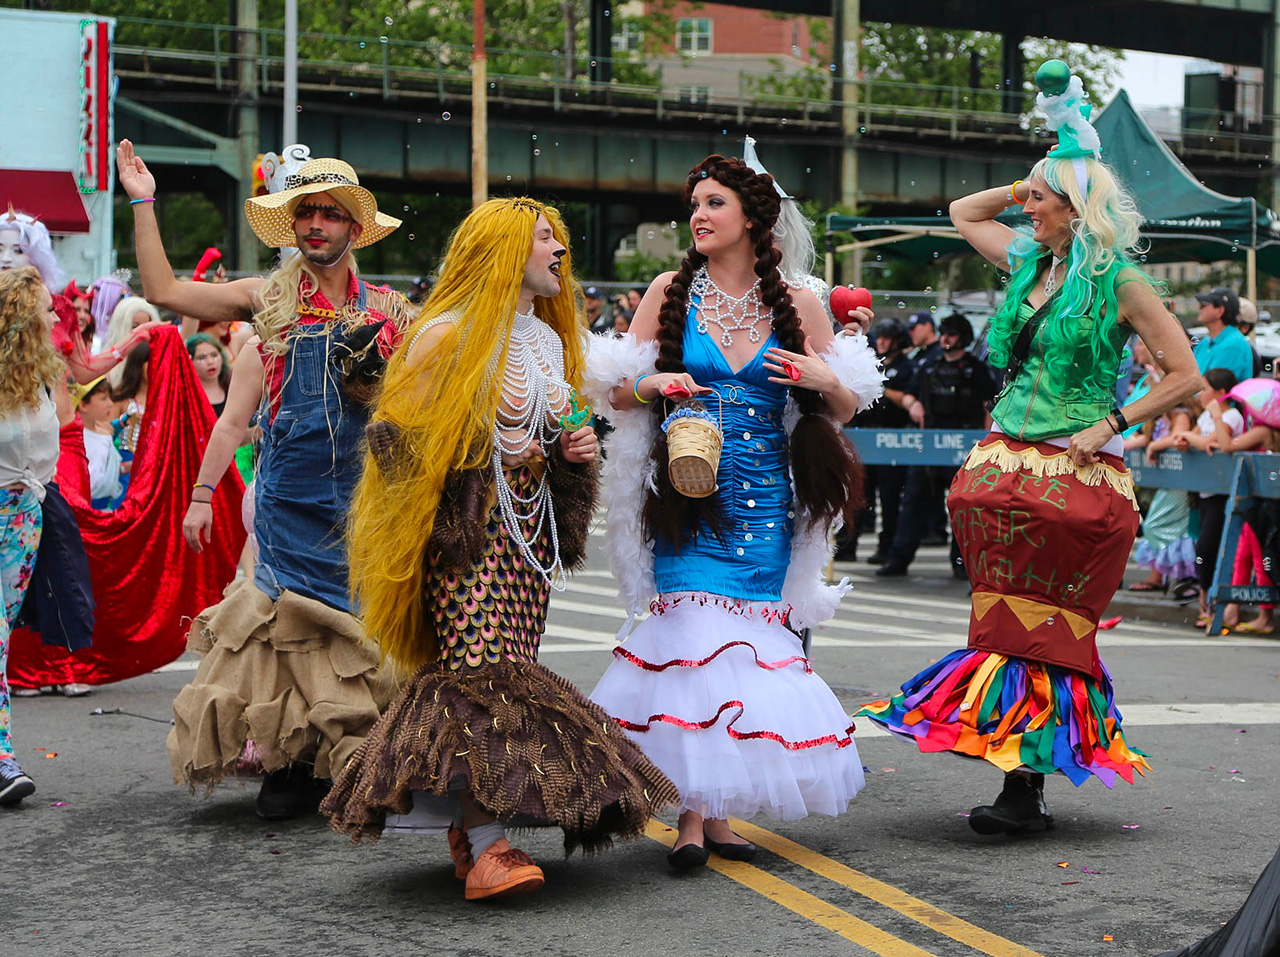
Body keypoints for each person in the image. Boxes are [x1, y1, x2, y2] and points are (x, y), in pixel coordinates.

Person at [858, 62, 1200, 835]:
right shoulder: (1024, 260)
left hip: (1078, 473)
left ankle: (1026, 788)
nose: (1029, 211)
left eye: (1043, 202)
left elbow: (1185, 375)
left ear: (1077, 210)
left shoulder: (1122, 282)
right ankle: (1018, 773)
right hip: (1005, 463)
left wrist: (1113, 422)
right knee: (1003, 627)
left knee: (1046, 632)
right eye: (1031, 202)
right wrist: (1038, 173)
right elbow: (959, 208)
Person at [321, 198, 678, 901]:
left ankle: (469, 829)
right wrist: (482, 449)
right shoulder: (445, 334)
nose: (558, 250)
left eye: (557, 238)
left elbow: (559, 432)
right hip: (467, 540)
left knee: (498, 677)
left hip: (528, 540)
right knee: (485, 679)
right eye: (545, 238)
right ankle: (488, 848)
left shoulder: (546, 342)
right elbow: (394, 444)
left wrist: (574, 452)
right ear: (506, 249)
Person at [584, 154, 883, 869]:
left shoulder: (801, 303)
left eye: (714, 203)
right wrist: (654, 381)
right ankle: (692, 816)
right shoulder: (668, 290)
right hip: (686, 499)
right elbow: (612, 391)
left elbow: (845, 405)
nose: (699, 215)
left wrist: (820, 375)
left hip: (765, 505)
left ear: (752, 217)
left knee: (743, 657)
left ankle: (717, 815)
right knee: (693, 648)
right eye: (695, 204)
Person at [117, 140, 411, 820]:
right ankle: (289, 763)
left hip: (365, 506)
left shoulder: (394, 311)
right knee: (282, 639)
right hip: (286, 508)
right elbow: (162, 291)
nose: (316, 225)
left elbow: (436, 390)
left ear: (355, 227)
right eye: (305, 212)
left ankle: (348, 758)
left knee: (358, 637)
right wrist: (142, 200)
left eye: (330, 214)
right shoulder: (265, 300)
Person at [0, 267, 73, 804]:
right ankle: (3, 761)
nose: (56, 315)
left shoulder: (45, 374)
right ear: (22, 318)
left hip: (27, 518)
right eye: (47, 308)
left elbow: (55, 436)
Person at [877, 313, 997, 578]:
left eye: (952, 334)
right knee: (913, 502)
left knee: (964, 509)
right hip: (930, 446)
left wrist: (986, 440)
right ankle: (898, 559)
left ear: (963, 337)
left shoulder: (976, 370)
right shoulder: (929, 367)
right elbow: (912, 396)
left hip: (964, 447)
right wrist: (914, 403)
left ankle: (962, 564)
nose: (945, 339)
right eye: (944, 333)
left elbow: (988, 405)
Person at [1, 210, 156, 384]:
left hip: (48, 408)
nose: (6, 259)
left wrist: (137, 335)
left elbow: (84, 370)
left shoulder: (60, 309)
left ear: (38, 257)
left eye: (18, 251)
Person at [1166, 369, 1244, 629]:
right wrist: (1187, 439)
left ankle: (1213, 605)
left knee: (1209, 549)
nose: (1200, 394)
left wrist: (1195, 435)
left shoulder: (1230, 415)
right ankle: (1204, 604)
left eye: (1205, 389)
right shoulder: (1206, 415)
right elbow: (1190, 438)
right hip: (1202, 490)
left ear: (1220, 393)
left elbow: (1211, 442)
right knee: (1202, 548)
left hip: (1222, 490)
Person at [842, 316, 918, 564]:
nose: (883, 342)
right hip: (866, 436)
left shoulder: (907, 368)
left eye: (888, 338)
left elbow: (909, 398)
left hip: (892, 438)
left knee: (890, 497)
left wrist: (883, 390)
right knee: (859, 495)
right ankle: (848, 544)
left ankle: (887, 548)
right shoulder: (873, 362)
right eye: (881, 337)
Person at [74, 376, 124, 510]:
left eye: (109, 398)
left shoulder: (105, 434)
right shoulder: (76, 438)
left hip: (104, 511)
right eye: (103, 399)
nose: (110, 404)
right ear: (84, 405)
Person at [1193, 288, 1253, 384]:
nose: (1199, 307)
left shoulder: (1235, 344)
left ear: (1220, 311)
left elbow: (1214, 392)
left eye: (1204, 305)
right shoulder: (1204, 343)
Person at [186, 333, 231, 417]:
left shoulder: (233, 386)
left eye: (214, 355)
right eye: (202, 358)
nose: (210, 362)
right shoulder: (186, 396)